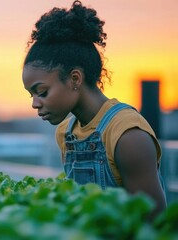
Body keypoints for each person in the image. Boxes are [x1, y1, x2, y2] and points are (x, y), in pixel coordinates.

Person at [22, 0, 166, 219]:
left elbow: (155, 222)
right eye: (31, 95)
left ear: (75, 79)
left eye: (41, 92)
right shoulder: (65, 133)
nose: (35, 103)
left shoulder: (127, 135)